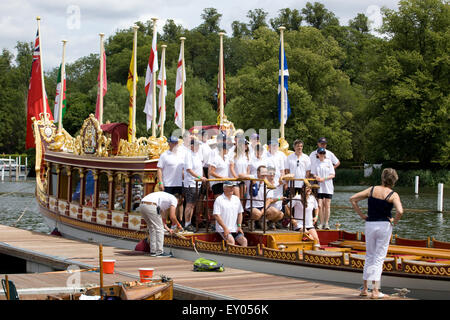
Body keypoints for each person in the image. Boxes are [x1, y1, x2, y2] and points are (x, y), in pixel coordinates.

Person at [349, 168, 404, 299]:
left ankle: (364, 288)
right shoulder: (393, 194)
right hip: (384, 225)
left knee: (369, 256)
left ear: (382, 178)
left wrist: (362, 215)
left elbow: (353, 199)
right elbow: (400, 211)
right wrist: (394, 221)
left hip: (370, 224)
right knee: (379, 257)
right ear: (394, 180)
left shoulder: (372, 190)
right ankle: (375, 290)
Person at [140, 191, 183, 257]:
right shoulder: (174, 199)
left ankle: (153, 251)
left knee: (152, 228)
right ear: (179, 199)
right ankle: (160, 252)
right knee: (159, 229)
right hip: (151, 205)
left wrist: (167, 228)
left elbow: (162, 218)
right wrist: (179, 225)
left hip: (142, 205)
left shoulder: (166, 199)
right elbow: (172, 216)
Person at [157, 136, 184, 222]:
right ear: (169, 144)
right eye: (172, 143)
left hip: (179, 183)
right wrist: (161, 182)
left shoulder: (181, 154)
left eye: (176, 143)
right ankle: (164, 223)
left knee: (178, 203)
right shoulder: (164, 155)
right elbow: (159, 169)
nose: (174, 145)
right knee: (165, 204)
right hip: (168, 183)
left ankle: (177, 222)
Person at [213, 180, 248, 246]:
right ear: (224, 188)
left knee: (244, 241)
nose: (232, 188)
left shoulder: (236, 199)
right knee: (231, 241)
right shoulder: (219, 199)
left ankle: (242, 256)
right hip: (222, 229)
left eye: (233, 187)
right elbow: (217, 215)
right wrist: (225, 228)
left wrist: (239, 226)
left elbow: (240, 213)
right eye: (230, 187)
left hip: (234, 228)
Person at [183, 138, 206, 232]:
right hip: (191, 183)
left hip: (197, 183)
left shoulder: (197, 155)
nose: (198, 147)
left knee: (193, 204)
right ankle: (187, 223)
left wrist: (201, 178)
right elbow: (189, 169)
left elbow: (199, 168)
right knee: (189, 204)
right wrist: (200, 177)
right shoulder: (188, 154)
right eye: (196, 145)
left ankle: (190, 222)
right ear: (191, 146)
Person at [311, 147, 335, 230]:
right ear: (317, 154)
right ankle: (321, 223)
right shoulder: (316, 163)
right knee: (320, 205)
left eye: (323, 153)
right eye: (320, 153)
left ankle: (326, 223)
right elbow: (313, 173)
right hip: (319, 187)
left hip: (328, 186)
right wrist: (317, 177)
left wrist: (323, 178)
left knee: (327, 205)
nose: (322, 155)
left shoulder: (328, 162)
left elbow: (332, 174)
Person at [208, 134, 231, 199]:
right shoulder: (216, 158)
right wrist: (222, 177)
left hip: (224, 183)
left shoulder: (226, 158)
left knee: (225, 201)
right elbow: (211, 172)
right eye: (226, 149)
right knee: (218, 201)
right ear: (223, 150)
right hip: (217, 183)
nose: (228, 150)